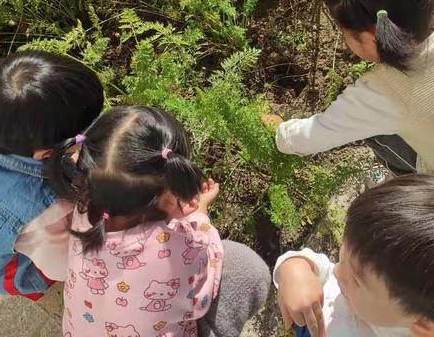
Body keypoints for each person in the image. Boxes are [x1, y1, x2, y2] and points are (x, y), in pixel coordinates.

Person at [46, 106, 270, 337]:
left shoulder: (83, 211)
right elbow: (201, 298)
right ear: (169, 195)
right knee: (245, 265)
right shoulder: (176, 248)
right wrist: (200, 214)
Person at [266, 0, 434, 179]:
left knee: (378, 132)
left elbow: (308, 137)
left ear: (372, 36)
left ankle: (407, 178)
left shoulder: (384, 95)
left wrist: (280, 131)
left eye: (344, 33)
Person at [275, 173, 434, 337]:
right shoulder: (355, 284)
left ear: (424, 329)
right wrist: (295, 269)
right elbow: (318, 265)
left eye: (356, 280)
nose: (336, 272)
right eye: (342, 257)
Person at [0, 50, 104, 299]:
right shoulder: (47, 209)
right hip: (1, 268)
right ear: (45, 153)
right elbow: (61, 267)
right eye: (88, 131)